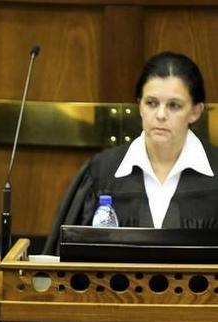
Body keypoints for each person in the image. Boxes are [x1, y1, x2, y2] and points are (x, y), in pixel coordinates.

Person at [44, 51, 218, 253]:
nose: (161, 115)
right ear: (140, 106)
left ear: (196, 111)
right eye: (151, 103)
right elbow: (63, 260)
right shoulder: (101, 173)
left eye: (174, 105)